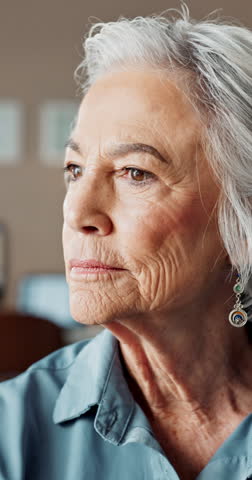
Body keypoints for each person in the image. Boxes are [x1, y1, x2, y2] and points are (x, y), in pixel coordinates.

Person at [1, 4, 252, 480]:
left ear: (242, 222)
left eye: (135, 173)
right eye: (74, 170)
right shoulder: (9, 430)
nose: (77, 213)